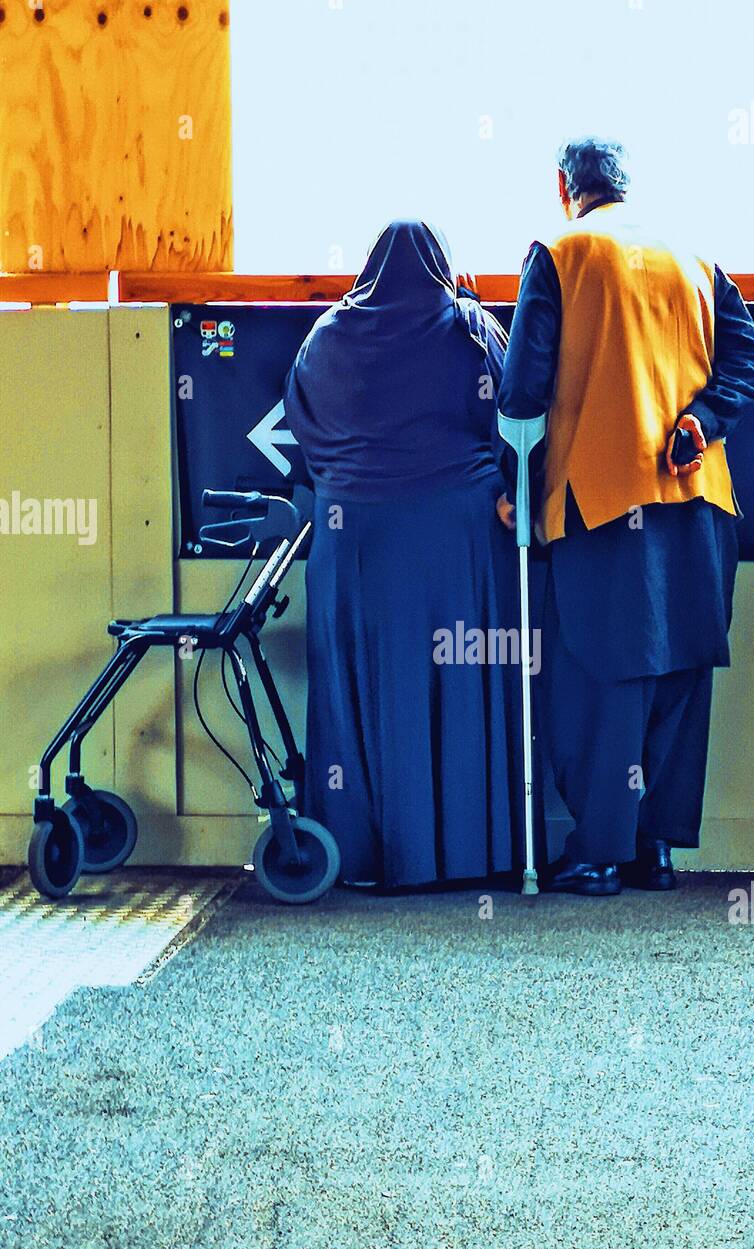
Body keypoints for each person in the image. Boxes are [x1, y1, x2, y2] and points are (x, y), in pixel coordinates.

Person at [497, 138, 754, 896]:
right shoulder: (696, 256)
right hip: (701, 501)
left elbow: (522, 389)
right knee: (680, 672)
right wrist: (701, 422)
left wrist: (511, 485)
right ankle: (655, 849)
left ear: (564, 186)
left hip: (601, 500)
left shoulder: (559, 250)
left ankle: (595, 853)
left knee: (600, 679)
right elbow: (751, 367)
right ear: (626, 186)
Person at [284, 220, 523, 889]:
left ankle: (361, 855)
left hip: (353, 538)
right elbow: (517, 422)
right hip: (459, 540)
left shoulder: (325, 336)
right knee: (460, 687)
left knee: (359, 690)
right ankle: (467, 853)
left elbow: (306, 436)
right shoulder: (471, 332)